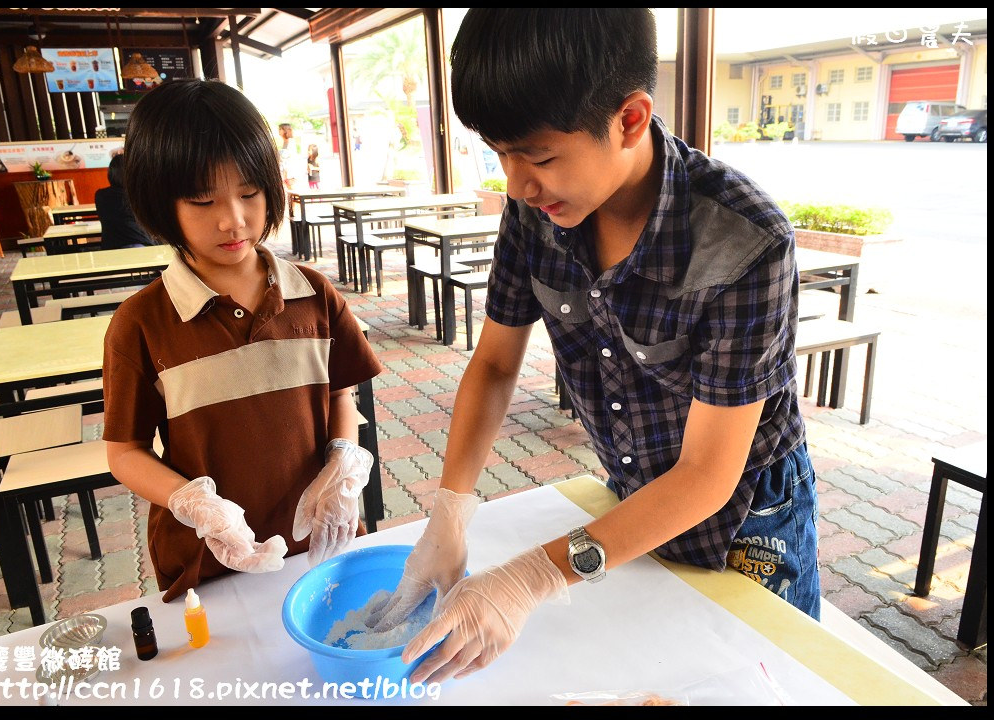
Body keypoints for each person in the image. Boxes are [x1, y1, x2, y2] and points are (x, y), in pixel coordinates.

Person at [369, 8, 820, 684]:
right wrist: (450, 512)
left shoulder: (743, 243)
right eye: (500, 153)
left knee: (759, 680)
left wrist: (529, 578)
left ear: (631, 119)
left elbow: (706, 475)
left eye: (539, 156)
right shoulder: (537, 209)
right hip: (632, 491)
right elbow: (494, 364)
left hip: (746, 516)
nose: (517, 183)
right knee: (646, 673)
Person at [103, 79, 384, 602]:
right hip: (207, 566)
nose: (233, 220)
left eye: (250, 193)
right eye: (202, 200)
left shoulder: (313, 294)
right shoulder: (140, 323)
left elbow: (340, 393)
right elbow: (125, 451)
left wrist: (344, 458)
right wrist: (191, 502)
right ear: (161, 205)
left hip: (316, 546)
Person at [94, 153, 154, 250]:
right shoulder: (140, 195)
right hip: (144, 246)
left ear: (111, 173)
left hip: (111, 250)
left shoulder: (100, 196)